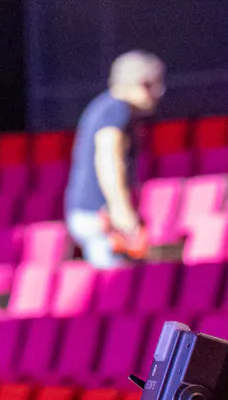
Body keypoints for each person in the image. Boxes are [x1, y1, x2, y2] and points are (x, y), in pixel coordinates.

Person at [65, 51, 165, 269]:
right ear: (142, 83)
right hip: (101, 215)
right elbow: (109, 158)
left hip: (91, 213)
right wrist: (121, 211)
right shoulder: (116, 110)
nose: (158, 93)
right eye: (155, 85)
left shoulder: (102, 106)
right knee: (115, 285)